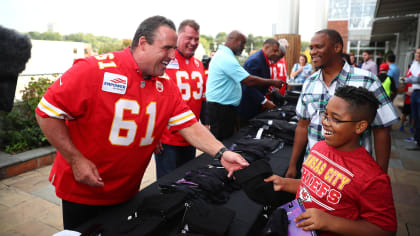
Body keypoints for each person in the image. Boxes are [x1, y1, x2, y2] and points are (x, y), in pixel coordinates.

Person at [35, 16, 249, 230]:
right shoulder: (93, 70)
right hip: (83, 192)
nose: (171, 56)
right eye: (166, 48)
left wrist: (222, 153)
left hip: (128, 191)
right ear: (143, 43)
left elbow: (190, 126)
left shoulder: (166, 85)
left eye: (173, 49)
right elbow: (46, 113)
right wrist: (76, 159)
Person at [265, 86, 397, 236]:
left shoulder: (372, 178)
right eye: (325, 114)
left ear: (360, 126)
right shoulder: (319, 147)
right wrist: (285, 183)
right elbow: (312, 186)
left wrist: (330, 222)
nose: (325, 122)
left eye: (335, 119)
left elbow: (386, 230)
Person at [285, 29, 399, 179]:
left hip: (352, 176)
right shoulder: (309, 82)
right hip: (313, 171)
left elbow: (382, 130)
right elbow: (303, 125)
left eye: (318, 47)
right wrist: (293, 165)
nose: (312, 52)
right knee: (304, 203)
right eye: (311, 48)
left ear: (337, 47)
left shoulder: (367, 80)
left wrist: (381, 176)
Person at [206, 30, 285, 141]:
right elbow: (248, 81)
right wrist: (272, 82)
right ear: (235, 41)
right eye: (242, 43)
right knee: (222, 144)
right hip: (221, 109)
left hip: (225, 108)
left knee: (227, 141)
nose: (244, 47)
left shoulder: (225, 55)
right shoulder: (226, 57)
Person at [154, 20, 207, 178]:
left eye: (196, 39)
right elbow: (154, 100)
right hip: (168, 139)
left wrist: (206, 122)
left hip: (191, 136)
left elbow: (202, 98)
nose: (193, 43)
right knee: (167, 184)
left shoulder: (198, 64)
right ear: (178, 36)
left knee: (186, 180)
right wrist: (154, 134)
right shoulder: (165, 61)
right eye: (189, 38)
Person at [237, 38, 283, 121]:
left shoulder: (263, 59)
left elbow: (258, 82)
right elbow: (247, 86)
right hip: (248, 107)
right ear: (266, 47)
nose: (276, 54)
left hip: (254, 105)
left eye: (277, 51)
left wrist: (269, 90)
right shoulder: (255, 60)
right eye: (274, 51)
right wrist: (264, 101)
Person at [404, 47, 420, 150]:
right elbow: (412, 76)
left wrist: (405, 79)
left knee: (419, 117)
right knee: (415, 116)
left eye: (419, 53)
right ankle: (416, 137)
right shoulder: (415, 64)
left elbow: (417, 79)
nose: (417, 55)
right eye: (417, 53)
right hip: (415, 92)